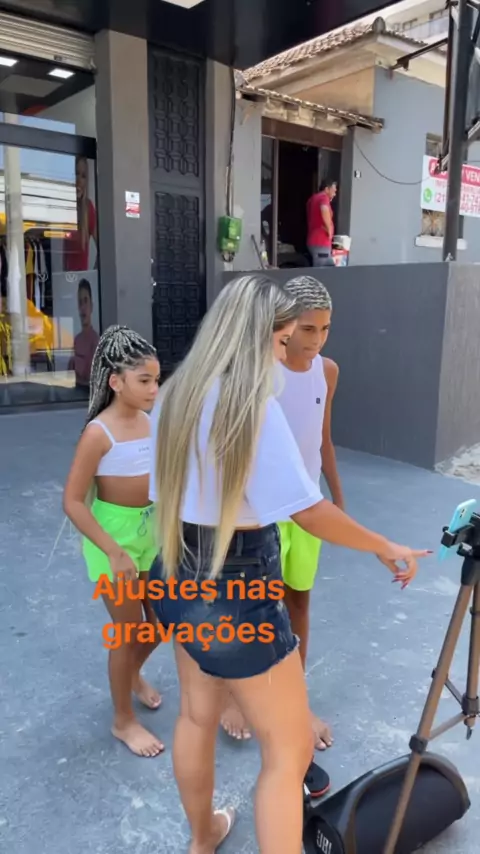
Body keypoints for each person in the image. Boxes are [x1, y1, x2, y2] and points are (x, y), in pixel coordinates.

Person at [148, 273, 429, 854]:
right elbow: (306, 509)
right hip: (236, 585)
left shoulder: (176, 394)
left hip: (176, 567)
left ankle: (202, 838)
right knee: (290, 749)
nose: (285, 354)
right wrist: (383, 544)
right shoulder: (250, 405)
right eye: (280, 341)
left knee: (196, 716)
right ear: (253, 337)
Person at [220, 275, 341, 786]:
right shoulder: (257, 373)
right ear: (283, 326)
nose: (316, 340)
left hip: (308, 507)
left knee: (298, 603)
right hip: (262, 512)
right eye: (307, 328)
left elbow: (323, 438)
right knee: (251, 607)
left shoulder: (328, 372)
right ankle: (236, 695)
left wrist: (337, 496)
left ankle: (296, 697)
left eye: (326, 329)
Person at [63, 325, 164, 758]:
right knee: (127, 632)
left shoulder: (149, 422)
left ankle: (131, 675)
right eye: (144, 380)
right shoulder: (98, 434)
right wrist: (113, 550)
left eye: (156, 380)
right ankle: (123, 720)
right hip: (112, 539)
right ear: (116, 382)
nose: (154, 389)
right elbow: (72, 501)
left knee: (160, 623)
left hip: (150, 535)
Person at [64, 155, 98, 272]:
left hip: (80, 278)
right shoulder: (63, 205)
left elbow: (103, 249)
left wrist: (92, 275)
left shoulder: (88, 209)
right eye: (76, 173)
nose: (79, 180)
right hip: (58, 277)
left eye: (83, 176)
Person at [68, 279, 100, 388]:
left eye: (85, 301)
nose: (83, 308)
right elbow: (70, 372)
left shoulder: (95, 340)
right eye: (80, 302)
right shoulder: (77, 340)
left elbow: (90, 375)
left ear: (92, 306)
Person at [307, 178, 337, 267]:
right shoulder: (323, 197)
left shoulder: (312, 198)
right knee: (322, 271)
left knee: (329, 268)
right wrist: (329, 229)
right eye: (333, 191)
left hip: (314, 240)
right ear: (326, 189)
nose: (334, 194)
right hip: (321, 242)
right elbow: (324, 209)